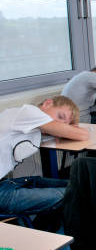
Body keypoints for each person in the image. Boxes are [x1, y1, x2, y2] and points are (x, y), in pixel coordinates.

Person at [0, 96, 89, 231]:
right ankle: (44, 236)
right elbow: (82, 135)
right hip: (2, 191)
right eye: (60, 116)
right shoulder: (29, 112)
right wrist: (68, 130)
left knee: (75, 185)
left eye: (64, 123)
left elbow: (63, 134)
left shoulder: (32, 127)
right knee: (72, 193)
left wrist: (63, 131)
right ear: (48, 103)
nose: (59, 124)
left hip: (4, 184)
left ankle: (42, 231)